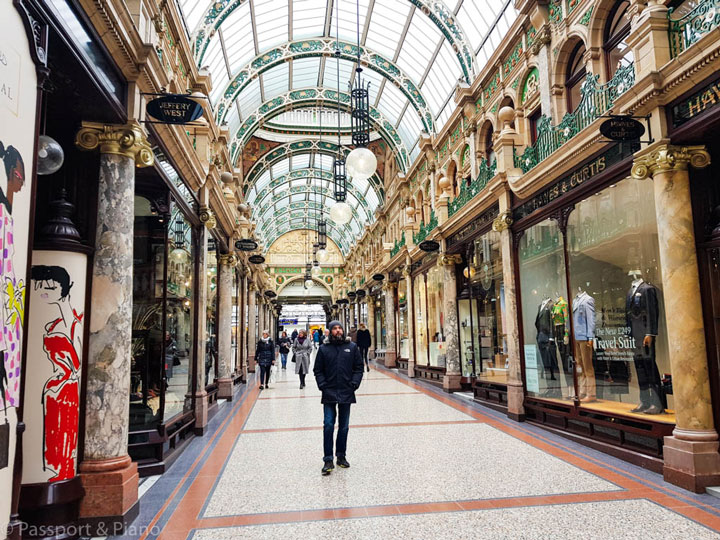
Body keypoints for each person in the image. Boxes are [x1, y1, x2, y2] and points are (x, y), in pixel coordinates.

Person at [314, 320, 364, 475]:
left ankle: (341, 456)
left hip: (346, 391)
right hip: (329, 391)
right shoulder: (324, 349)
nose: (338, 331)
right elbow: (318, 370)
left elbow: (358, 367)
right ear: (330, 331)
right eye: (335, 328)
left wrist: (354, 384)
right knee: (328, 424)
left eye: (339, 328)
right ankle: (328, 459)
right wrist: (322, 385)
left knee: (344, 426)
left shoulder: (352, 347)